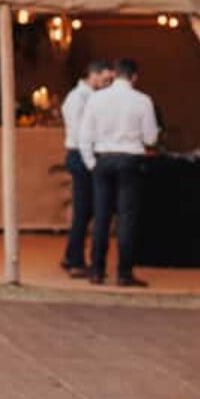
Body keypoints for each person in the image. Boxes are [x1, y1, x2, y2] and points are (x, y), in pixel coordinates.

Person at [78, 57, 161, 288]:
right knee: (127, 219)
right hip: (130, 160)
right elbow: (150, 138)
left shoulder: (96, 99)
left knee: (101, 217)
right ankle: (124, 273)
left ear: (114, 74)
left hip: (103, 160)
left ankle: (96, 270)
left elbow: (86, 135)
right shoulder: (143, 101)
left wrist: (91, 163)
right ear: (134, 77)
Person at [60, 60, 115, 277]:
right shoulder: (77, 98)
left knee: (87, 209)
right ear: (94, 74)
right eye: (106, 79)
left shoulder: (91, 97)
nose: (108, 83)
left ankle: (71, 255)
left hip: (87, 154)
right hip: (80, 154)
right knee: (83, 210)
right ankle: (75, 262)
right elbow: (81, 130)